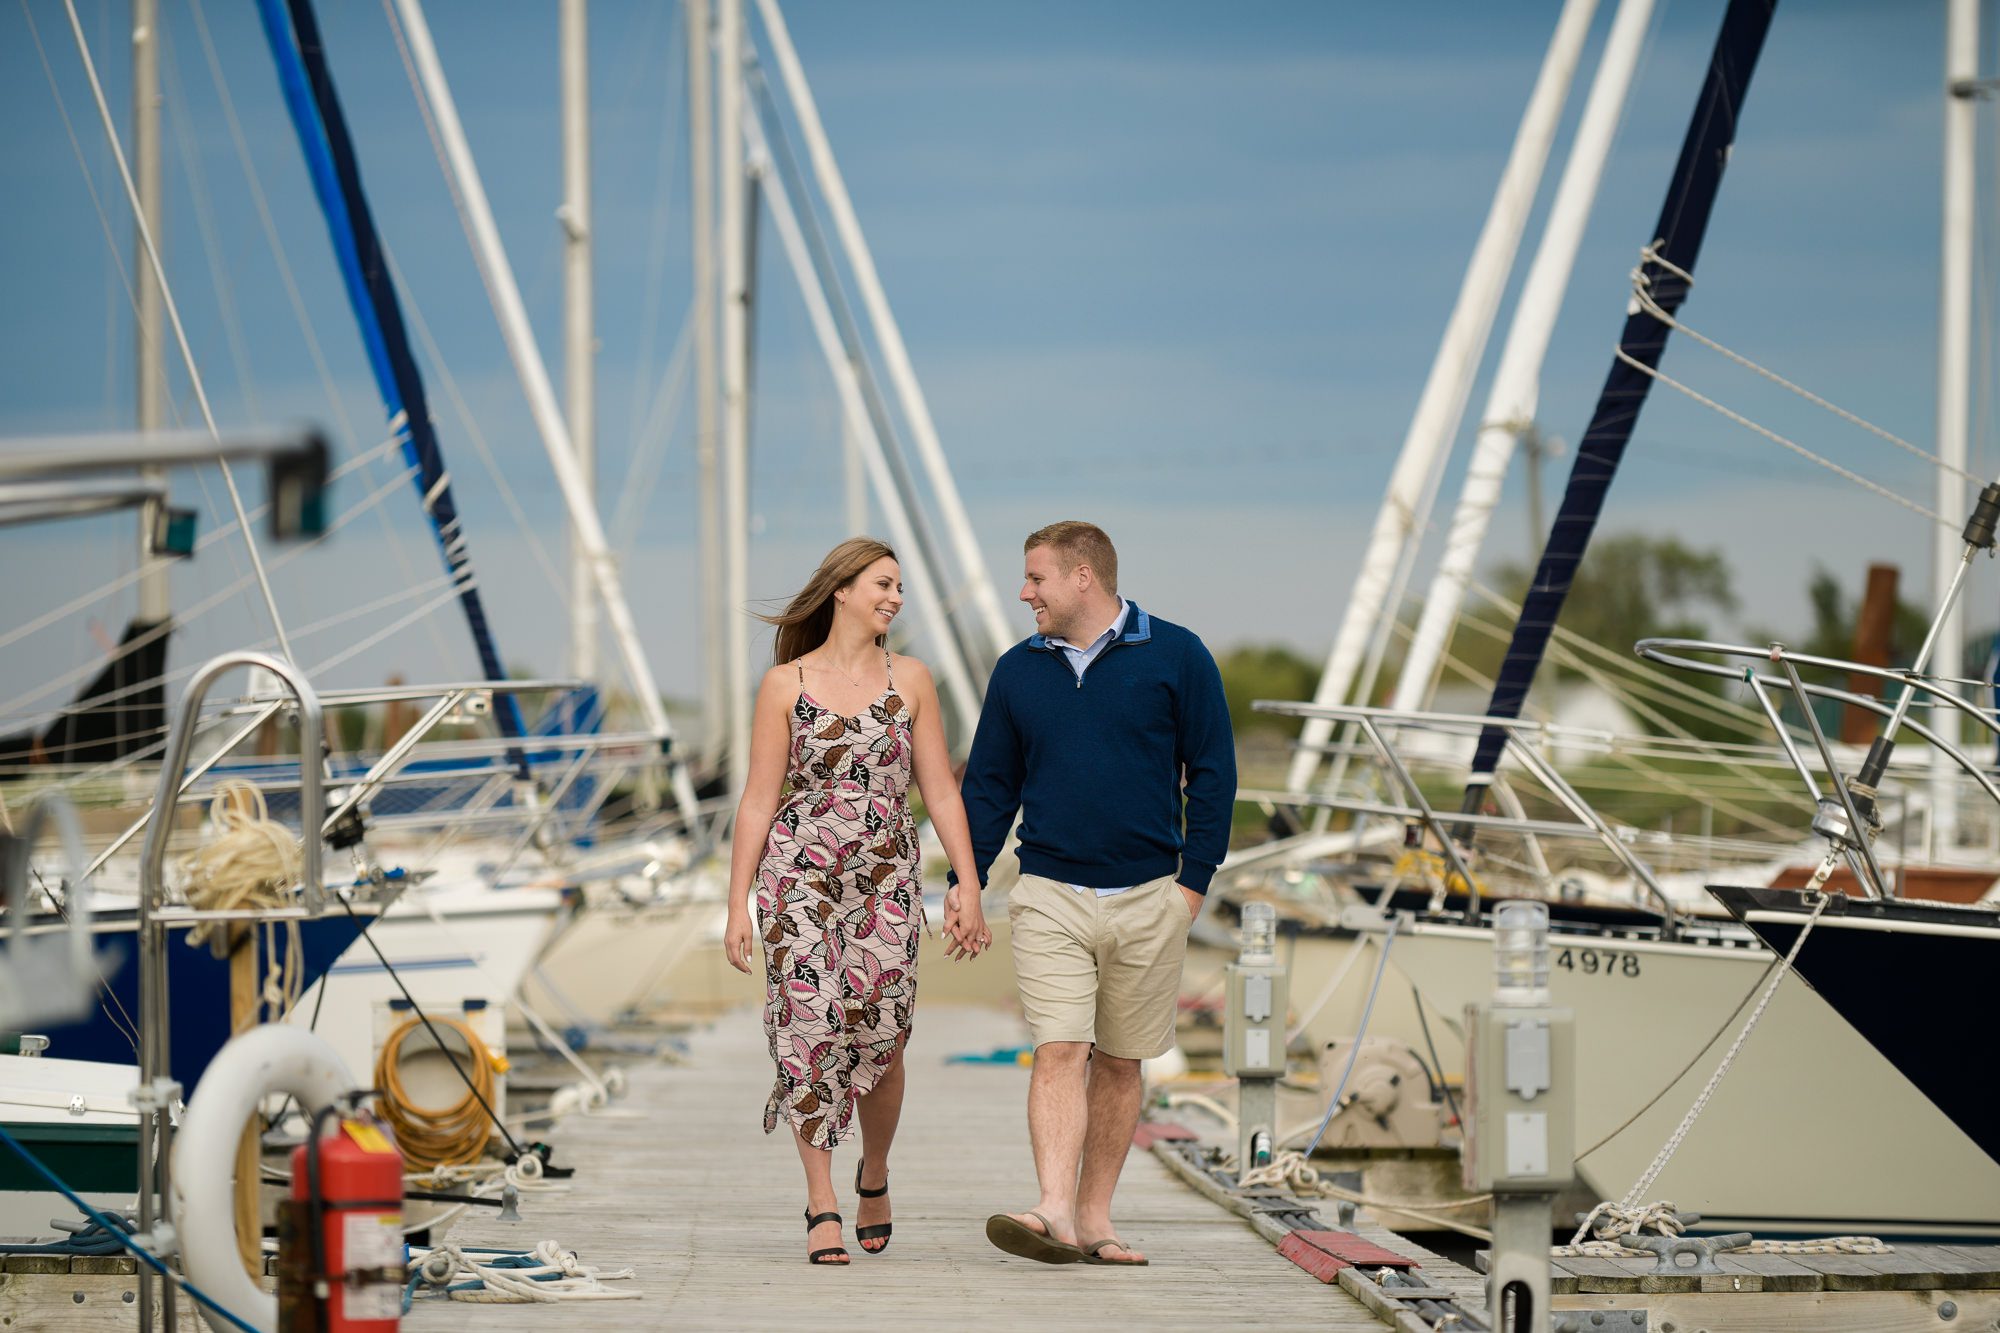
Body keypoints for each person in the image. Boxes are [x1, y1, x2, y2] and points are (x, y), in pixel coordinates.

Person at [948, 520, 1235, 1268]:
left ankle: (1093, 1216)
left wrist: (1193, 886)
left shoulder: (1178, 654)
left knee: (1120, 1059)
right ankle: (1050, 1207)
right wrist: (967, 883)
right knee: (1060, 1046)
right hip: (1048, 889)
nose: (1025, 591)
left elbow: (1213, 772)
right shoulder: (1017, 670)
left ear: (1083, 577)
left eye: (1036, 577)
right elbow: (988, 789)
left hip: (1152, 895)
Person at [724, 537, 991, 1266]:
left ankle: (873, 1172)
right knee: (808, 1027)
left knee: (883, 1032)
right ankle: (822, 1200)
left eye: (900, 587)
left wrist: (967, 881)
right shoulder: (785, 684)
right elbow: (757, 799)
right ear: (841, 588)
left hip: (884, 879)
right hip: (796, 877)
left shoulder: (913, 681)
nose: (895, 597)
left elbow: (938, 789)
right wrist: (737, 903)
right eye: (883, 583)